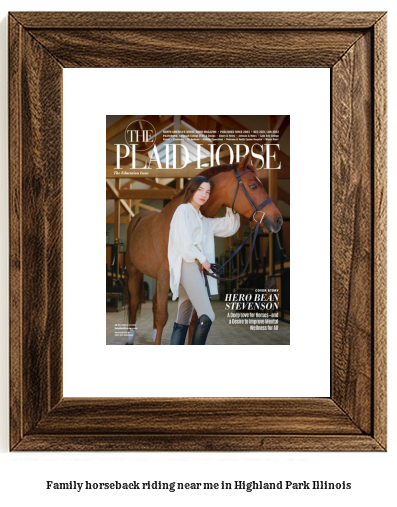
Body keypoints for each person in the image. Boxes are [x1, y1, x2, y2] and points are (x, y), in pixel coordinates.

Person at [168, 176, 240, 345]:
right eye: (200, 189)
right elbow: (184, 244)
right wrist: (203, 259)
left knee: (183, 319)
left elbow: (230, 226)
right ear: (191, 190)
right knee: (207, 316)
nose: (204, 194)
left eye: (207, 192)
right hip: (187, 265)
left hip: (195, 270)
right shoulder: (183, 211)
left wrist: (230, 202)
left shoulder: (203, 221)